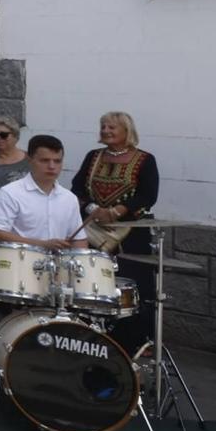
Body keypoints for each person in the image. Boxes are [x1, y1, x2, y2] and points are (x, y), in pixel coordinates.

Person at [70, 111, 161, 353]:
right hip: (94, 231)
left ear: (126, 131)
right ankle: (91, 333)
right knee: (92, 281)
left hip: (131, 234)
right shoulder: (93, 157)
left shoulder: (144, 160)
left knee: (133, 284)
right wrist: (93, 208)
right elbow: (77, 187)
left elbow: (148, 194)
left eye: (112, 127)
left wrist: (119, 210)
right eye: (103, 127)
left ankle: (138, 340)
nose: (106, 131)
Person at [0, 135, 87, 251]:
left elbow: (79, 240)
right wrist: (41, 244)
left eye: (57, 161)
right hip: (19, 263)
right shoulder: (9, 193)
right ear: (29, 159)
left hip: (57, 266)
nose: (52, 166)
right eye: (45, 160)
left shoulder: (70, 198)